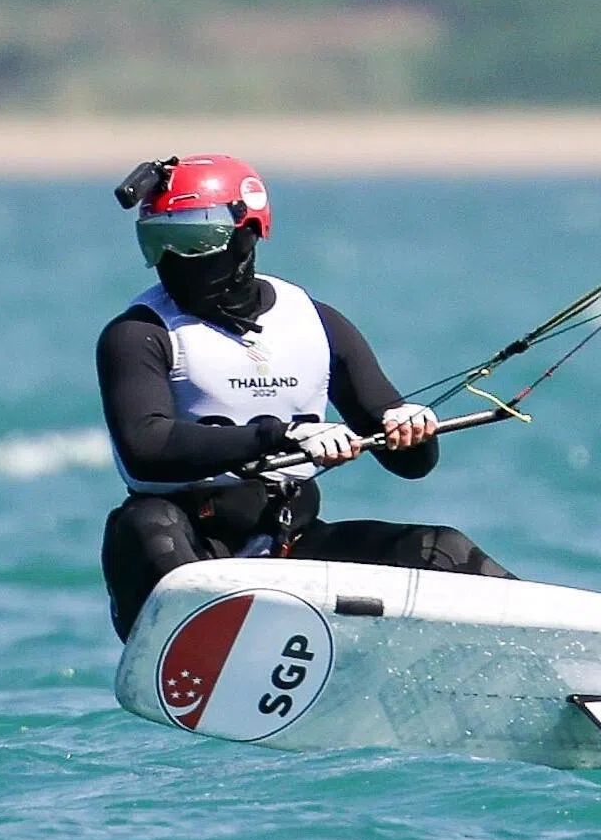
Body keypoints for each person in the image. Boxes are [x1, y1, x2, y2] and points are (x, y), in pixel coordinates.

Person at [97, 153, 515, 640]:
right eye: (158, 240)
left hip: (292, 544)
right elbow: (146, 447)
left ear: (249, 231)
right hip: (191, 547)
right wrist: (284, 436)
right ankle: (202, 655)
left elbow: (413, 465)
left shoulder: (316, 323)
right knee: (143, 526)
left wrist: (411, 429)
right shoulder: (138, 334)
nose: (175, 259)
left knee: (442, 549)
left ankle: (554, 657)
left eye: (194, 239)